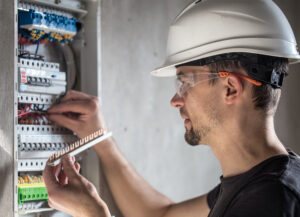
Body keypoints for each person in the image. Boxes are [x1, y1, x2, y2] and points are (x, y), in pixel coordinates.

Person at [43, 0, 300, 216]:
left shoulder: (269, 201)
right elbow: (160, 214)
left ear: (230, 88)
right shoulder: (258, 183)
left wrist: (93, 213)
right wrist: (100, 138)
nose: (175, 100)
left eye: (185, 81)